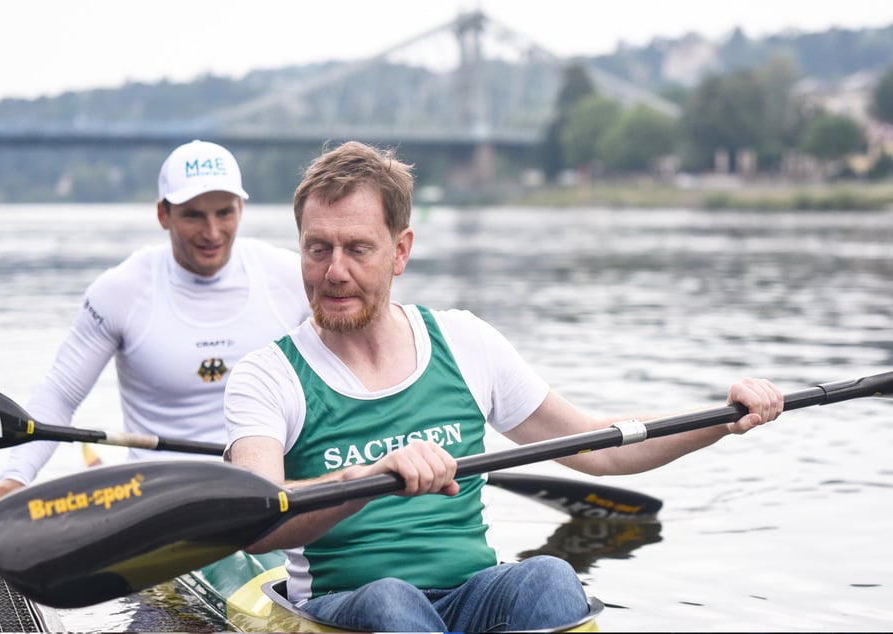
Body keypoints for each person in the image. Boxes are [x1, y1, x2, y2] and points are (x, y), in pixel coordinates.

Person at [223, 140, 785, 632]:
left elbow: (601, 451)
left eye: (357, 249)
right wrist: (364, 480)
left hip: (472, 597)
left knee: (550, 577)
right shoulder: (268, 375)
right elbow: (253, 522)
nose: (334, 271)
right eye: (318, 248)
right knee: (393, 602)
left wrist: (720, 420)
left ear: (400, 251)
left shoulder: (465, 342)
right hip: (342, 607)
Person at [0, 139, 311, 509]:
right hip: (160, 500)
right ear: (163, 215)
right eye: (193, 215)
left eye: (225, 213)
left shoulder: (290, 276)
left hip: (266, 489)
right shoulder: (121, 291)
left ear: (241, 207)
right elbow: (60, 395)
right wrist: (15, 477)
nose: (212, 232)